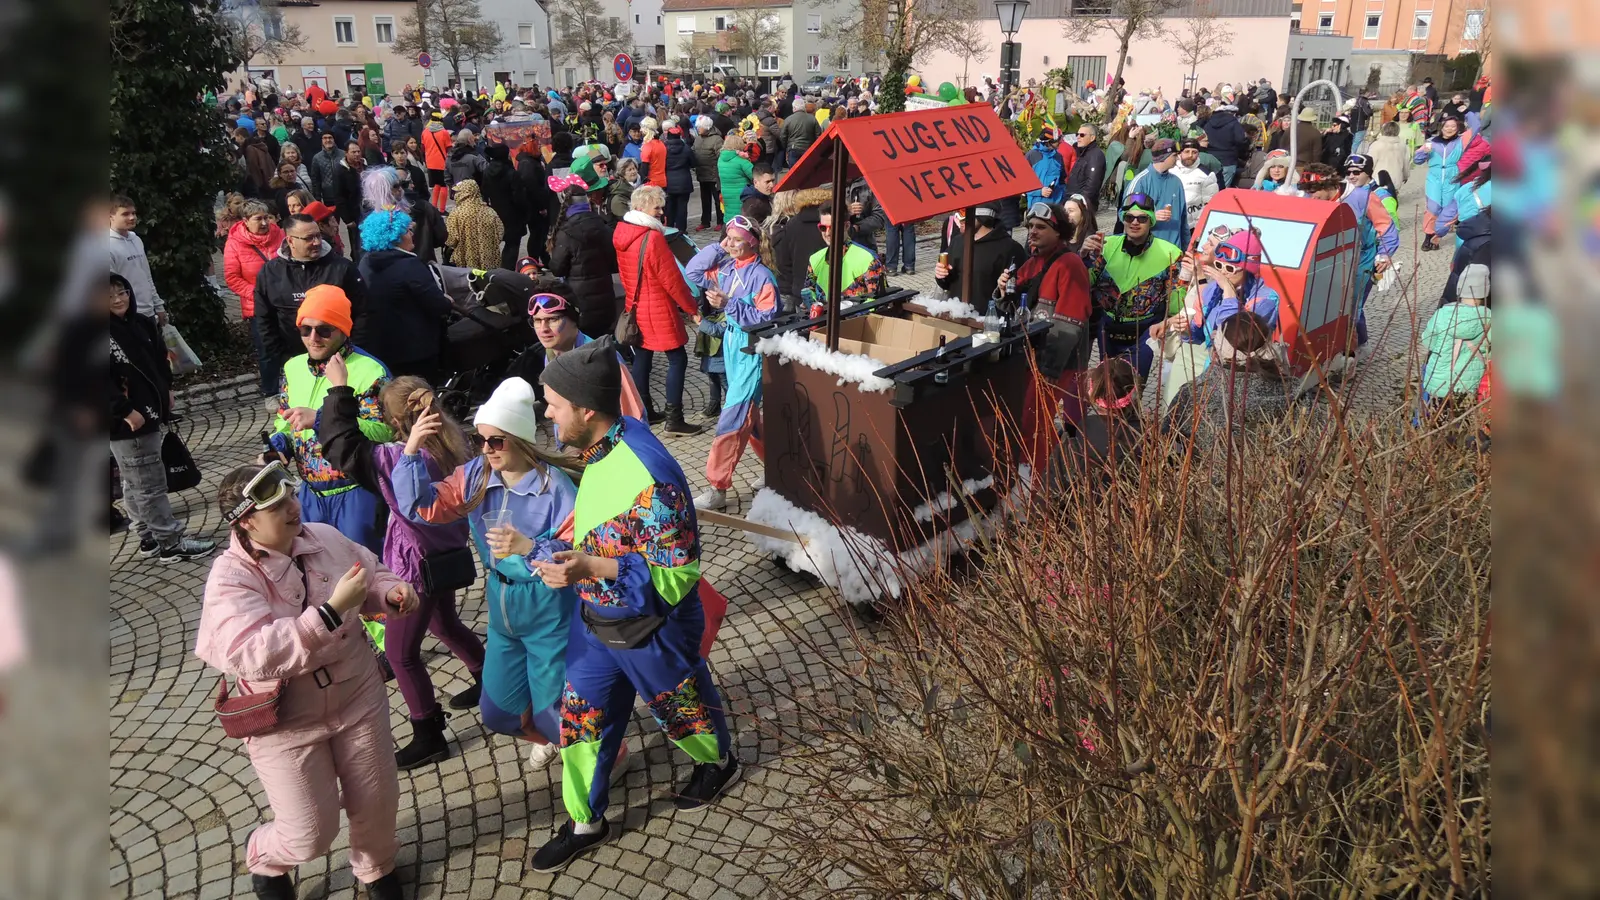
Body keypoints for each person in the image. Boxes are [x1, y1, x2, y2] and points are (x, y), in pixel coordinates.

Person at [528, 340, 741, 872]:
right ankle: (585, 819)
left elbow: (677, 572)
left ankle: (717, 763)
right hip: (596, 625)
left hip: (654, 630)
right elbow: (606, 529)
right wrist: (561, 553)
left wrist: (588, 568)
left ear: (585, 409)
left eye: (553, 403)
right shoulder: (604, 445)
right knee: (580, 721)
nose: (547, 412)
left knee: (681, 706)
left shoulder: (648, 472)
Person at [194, 462, 416, 900]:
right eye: (277, 507)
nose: (293, 509)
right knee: (309, 833)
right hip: (286, 722)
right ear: (246, 521)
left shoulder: (325, 538)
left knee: (376, 799)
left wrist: (390, 592)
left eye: (291, 498)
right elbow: (249, 654)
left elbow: (371, 574)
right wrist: (330, 614)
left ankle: (376, 868)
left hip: (357, 696)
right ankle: (266, 859)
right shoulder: (230, 577)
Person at [390, 376, 591, 780]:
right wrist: (411, 451)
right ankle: (552, 738)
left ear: (519, 439)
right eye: (481, 439)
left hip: (547, 607)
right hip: (501, 608)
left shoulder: (557, 488)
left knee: (556, 710)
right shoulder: (476, 477)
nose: (486, 449)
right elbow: (419, 508)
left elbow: (572, 554)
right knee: (497, 711)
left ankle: (600, 757)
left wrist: (527, 547)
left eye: (496, 441)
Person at [315, 372, 487, 770]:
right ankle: (487, 680)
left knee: (401, 652)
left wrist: (339, 390)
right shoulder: (452, 445)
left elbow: (342, 447)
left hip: (414, 565)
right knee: (444, 623)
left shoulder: (397, 458)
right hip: (446, 555)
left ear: (393, 422)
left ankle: (428, 734)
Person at [265, 284, 392, 552]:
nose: (313, 338)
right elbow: (284, 420)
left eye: (324, 329)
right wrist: (280, 445)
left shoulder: (370, 370)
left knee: (366, 577)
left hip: (356, 493)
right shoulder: (292, 367)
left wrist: (323, 419)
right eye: (305, 329)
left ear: (343, 330)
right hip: (310, 495)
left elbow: (385, 432)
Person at [110, 274, 217, 562]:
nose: (119, 299)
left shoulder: (140, 324)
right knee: (149, 483)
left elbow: (158, 361)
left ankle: (147, 536)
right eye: (110, 296)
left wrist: (166, 388)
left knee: (134, 482)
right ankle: (170, 541)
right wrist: (124, 410)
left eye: (123, 292)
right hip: (128, 422)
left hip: (151, 411)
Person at [685, 215, 781, 510]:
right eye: (729, 238)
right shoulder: (725, 266)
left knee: (734, 416)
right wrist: (719, 246)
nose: (733, 244)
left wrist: (730, 304)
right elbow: (693, 271)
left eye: (738, 239)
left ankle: (717, 487)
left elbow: (768, 320)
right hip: (731, 344)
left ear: (752, 242)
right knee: (749, 418)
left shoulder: (763, 276)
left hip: (751, 350)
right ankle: (777, 471)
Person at [997, 202, 1094, 439]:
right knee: (1026, 419)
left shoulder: (1070, 264)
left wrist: (1051, 366)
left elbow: (1069, 322)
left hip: (1057, 361)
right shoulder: (1033, 263)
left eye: (1041, 226)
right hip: (1033, 356)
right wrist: (1001, 291)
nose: (1032, 231)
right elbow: (1011, 309)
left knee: (1034, 421)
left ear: (1058, 230)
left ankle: (1037, 473)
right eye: (1030, 226)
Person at [616, 185, 704, 435]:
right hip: (658, 308)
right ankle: (674, 419)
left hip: (636, 306)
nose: (661, 212)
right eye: (657, 207)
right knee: (678, 358)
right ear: (642, 208)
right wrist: (692, 308)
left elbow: (625, 274)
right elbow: (673, 280)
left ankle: (645, 410)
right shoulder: (652, 237)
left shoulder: (623, 233)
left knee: (643, 356)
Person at [253, 214, 368, 403]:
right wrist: (281, 358)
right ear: (290, 240)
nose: (316, 242)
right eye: (308, 238)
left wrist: (352, 351)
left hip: (340, 361)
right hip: (294, 360)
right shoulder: (270, 272)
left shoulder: (342, 268)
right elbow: (265, 320)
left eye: (318, 236)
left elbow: (363, 313)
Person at [1083, 192, 1182, 376]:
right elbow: (1084, 283)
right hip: (1108, 329)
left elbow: (1176, 302)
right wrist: (1082, 257)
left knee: (1131, 389)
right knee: (1107, 387)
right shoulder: (1106, 245)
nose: (1135, 222)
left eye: (1142, 218)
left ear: (1151, 221)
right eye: (1129, 217)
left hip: (1143, 334)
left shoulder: (1170, 253)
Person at [356, 208, 452, 381]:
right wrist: (447, 302)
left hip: (379, 345)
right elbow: (437, 304)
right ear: (396, 237)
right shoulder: (410, 266)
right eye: (408, 231)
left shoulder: (365, 262)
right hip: (414, 349)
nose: (412, 235)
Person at [224, 200, 287, 396]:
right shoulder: (234, 243)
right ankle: (271, 392)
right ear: (245, 221)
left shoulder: (281, 235)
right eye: (257, 219)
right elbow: (232, 277)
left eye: (266, 217)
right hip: (257, 307)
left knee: (290, 347)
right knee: (267, 351)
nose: (264, 223)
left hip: (285, 303)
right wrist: (258, 294)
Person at [548, 173, 621, 338]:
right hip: (605, 296)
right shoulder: (603, 226)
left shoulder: (565, 232)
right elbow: (614, 264)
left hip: (579, 301)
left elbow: (557, 269)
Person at [1419, 264, 1491, 416]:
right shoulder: (1489, 318)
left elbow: (1428, 340)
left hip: (1439, 382)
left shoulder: (1443, 314)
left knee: (1436, 418)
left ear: (1459, 288)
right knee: (1461, 423)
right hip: (1469, 384)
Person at [932, 206, 1023, 306]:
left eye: (963, 212)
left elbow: (1017, 296)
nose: (957, 219)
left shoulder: (1010, 248)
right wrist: (941, 275)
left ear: (983, 215)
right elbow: (947, 284)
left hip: (987, 318)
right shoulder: (957, 242)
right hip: (956, 315)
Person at [803, 209, 890, 311]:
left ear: (847, 226)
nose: (827, 233)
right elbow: (809, 291)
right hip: (824, 324)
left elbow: (879, 301)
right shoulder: (815, 259)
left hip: (858, 324)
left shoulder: (868, 258)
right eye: (823, 228)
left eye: (833, 227)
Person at [108, 195, 168, 326]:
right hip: (128, 316)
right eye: (125, 214)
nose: (132, 217)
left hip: (149, 312)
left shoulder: (136, 240)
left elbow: (146, 276)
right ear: (110, 216)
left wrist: (158, 306)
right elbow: (111, 289)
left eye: (134, 213)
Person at [769, 187, 830, 315]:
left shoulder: (792, 224)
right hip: (829, 289)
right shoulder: (831, 225)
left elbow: (784, 262)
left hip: (800, 290)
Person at [1416, 115, 1470, 252]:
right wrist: (1424, 153)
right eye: (1447, 126)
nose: (1449, 129)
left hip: (1452, 177)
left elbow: (1476, 129)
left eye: (1453, 126)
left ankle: (1437, 236)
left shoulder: (1461, 141)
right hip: (1434, 177)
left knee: (1448, 210)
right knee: (1433, 208)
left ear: (1458, 128)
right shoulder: (1431, 142)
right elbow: (1417, 160)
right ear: (1442, 127)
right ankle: (1428, 235)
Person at [1124, 140, 1189, 247]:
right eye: (1174, 155)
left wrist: (1187, 249)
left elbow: (1183, 220)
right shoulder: (1141, 182)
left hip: (1174, 253)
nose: (1178, 158)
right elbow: (1126, 218)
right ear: (1163, 157)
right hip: (1148, 251)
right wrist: (1152, 216)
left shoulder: (1177, 182)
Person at [443, 179, 503, 270]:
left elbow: (451, 239)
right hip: (489, 260)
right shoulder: (490, 211)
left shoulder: (457, 214)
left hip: (465, 261)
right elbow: (500, 232)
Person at [1171, 138, 1220, 230]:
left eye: (1194, 152)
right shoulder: (1170, 170)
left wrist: (1200, 223)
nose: (1190, 155)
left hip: (1192, 226)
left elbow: (1211, 202)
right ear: (1179, 153)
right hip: (1171, 222)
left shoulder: (1206, 174)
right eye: (1187, 151)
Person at [1200, 103, 1250, 188]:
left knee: (1208, 187)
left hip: (1210, 158)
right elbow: (1240, 140)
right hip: (1228, 159)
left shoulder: (1208, 123)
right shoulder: (1234, 123)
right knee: (1223, 190)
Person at [1063, 124, 1108, 215]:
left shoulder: (1095, 155)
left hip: (1082, 204)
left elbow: (1092, 183)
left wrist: (1081, 202)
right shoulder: (1082, 153)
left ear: (1092, 138)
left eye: (1082, 135)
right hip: (1072, 200)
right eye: (1077, 134)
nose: (1078, 137)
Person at [1025, 125, 1069, 210]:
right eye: (1058, 140)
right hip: (1037, 206)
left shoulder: (1058, 156)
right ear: (1048, 141)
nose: (1060, 142)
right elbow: (1022, 182)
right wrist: (1039, 192)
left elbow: (1062, 180)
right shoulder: (1032, 155)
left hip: (1056, 205)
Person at [717, 134, 755, 228]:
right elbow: (754, 176)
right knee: (741, 216)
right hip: (741, 193)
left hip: (726, 192)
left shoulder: (720, 159)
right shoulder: (741, 161)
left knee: (730, 213)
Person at [663, 122, 695, 232]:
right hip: (684, 182)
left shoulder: (664, 149)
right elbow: (693, 163)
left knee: (670, 206)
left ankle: (670, 228)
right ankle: (681, 230)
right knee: (682, 208)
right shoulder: (686, 148)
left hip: (668, 181)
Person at [693, 118, 723, 231]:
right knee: (705, 200)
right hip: (702, 174)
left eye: (699, 127)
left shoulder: (717, 139)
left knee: (717, 200)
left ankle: (720, 221)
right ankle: (705, 221)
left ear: (707, 127)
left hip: (714, 175)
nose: (697, 129)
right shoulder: (697, 139)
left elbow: (721, 156)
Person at [420, 113, 453, 209]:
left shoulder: (425, 132)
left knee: (436, 185)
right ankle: (442, 209)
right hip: (442, 162)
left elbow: (422, 148)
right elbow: (449, 148)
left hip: (430, 163)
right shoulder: (444, 132)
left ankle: (434, 207)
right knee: (443, 186)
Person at [779, 98, 821, 169]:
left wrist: (786, 148)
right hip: (808, 148)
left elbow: (783, 136)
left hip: (793, 148)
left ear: (794, 108)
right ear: (804, 107)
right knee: (807, 171)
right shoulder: (812, 119)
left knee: (793, 172)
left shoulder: (788, 120)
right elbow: (818, 135)